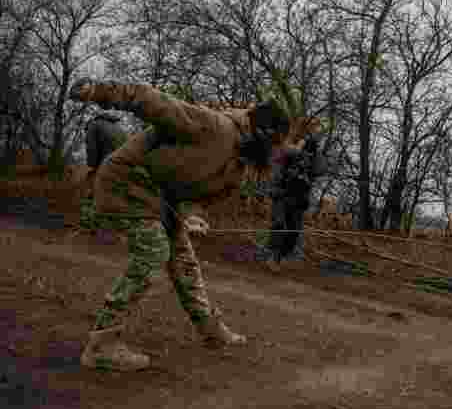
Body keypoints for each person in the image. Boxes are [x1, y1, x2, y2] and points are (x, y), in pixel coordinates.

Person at [69, 79, 294, 371]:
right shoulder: (214, 126)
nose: (277, 154)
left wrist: (193, 214)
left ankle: (210, 329)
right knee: (153, 253)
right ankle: (102, 344)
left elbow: (200, 191)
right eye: (277, 144)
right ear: (264, 133)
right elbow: (151, 100)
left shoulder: (238, 164)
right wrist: (99, 91)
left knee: (183, 259)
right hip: (129, 181)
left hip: (162, 195)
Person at [262, 132, 325, 269]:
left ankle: (281, 256)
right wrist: (275, 189)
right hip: (282, 195)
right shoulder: (291, 154)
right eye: (306, 153)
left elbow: (320, 169)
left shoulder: (314, 163)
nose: (307, 157)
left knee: (294, 231)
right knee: (279, 225)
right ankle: (273, 255)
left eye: (310, 154)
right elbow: (278, 167)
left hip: (298, 200)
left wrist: (315, 152)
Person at [80, 111, 126, 231]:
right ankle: (117, 224)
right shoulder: (119, 127)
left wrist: (92, 168)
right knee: (116, 194)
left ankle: (89, 223)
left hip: (107, 164)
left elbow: (92, 149)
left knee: (92, 190)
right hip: (123, 166)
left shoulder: (93, 126)